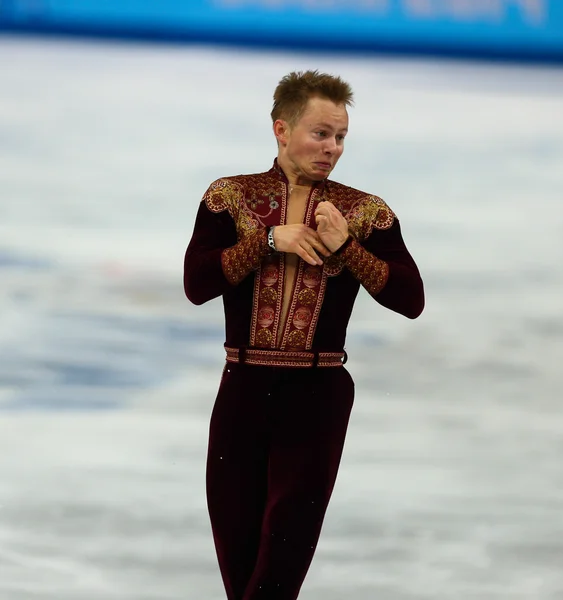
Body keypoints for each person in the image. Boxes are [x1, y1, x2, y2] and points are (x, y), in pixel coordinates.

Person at [183, 70, 424, 600]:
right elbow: (196, 284)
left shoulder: (364, 212)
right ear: (281, 129)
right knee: (239, 564)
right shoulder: (231, 198)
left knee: (278, 570)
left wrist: (347, 249)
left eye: (340, 136)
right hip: (242, 389)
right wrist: (269, 240)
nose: (332, 148)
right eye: (320, 133)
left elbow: (410, 299)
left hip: (316, 398)